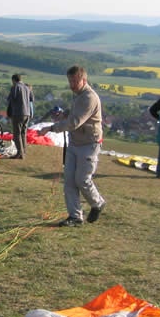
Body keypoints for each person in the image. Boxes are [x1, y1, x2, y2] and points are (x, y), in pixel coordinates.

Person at [39, 66, 106, 226]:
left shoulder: (89, 97)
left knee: (82, 179)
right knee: (69, 180)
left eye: (75, 81)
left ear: (84, 79)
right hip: (74, 143)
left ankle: (97, 203)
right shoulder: (78, 95)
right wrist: (65, 114)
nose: (72, 84)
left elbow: (75, 122)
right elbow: (75, 114)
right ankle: (75, 216)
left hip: (88, 144)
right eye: (70, 81)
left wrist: (51, 128)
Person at [6, 74, 34, 159]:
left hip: (18, 113)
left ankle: (19, 153)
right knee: (23, 133)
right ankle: (23, 151)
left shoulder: (15, 87)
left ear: (14, 80)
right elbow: (32, 98)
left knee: (17, 133)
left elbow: (11, 98)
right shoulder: (27, 87)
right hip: (27, 113)